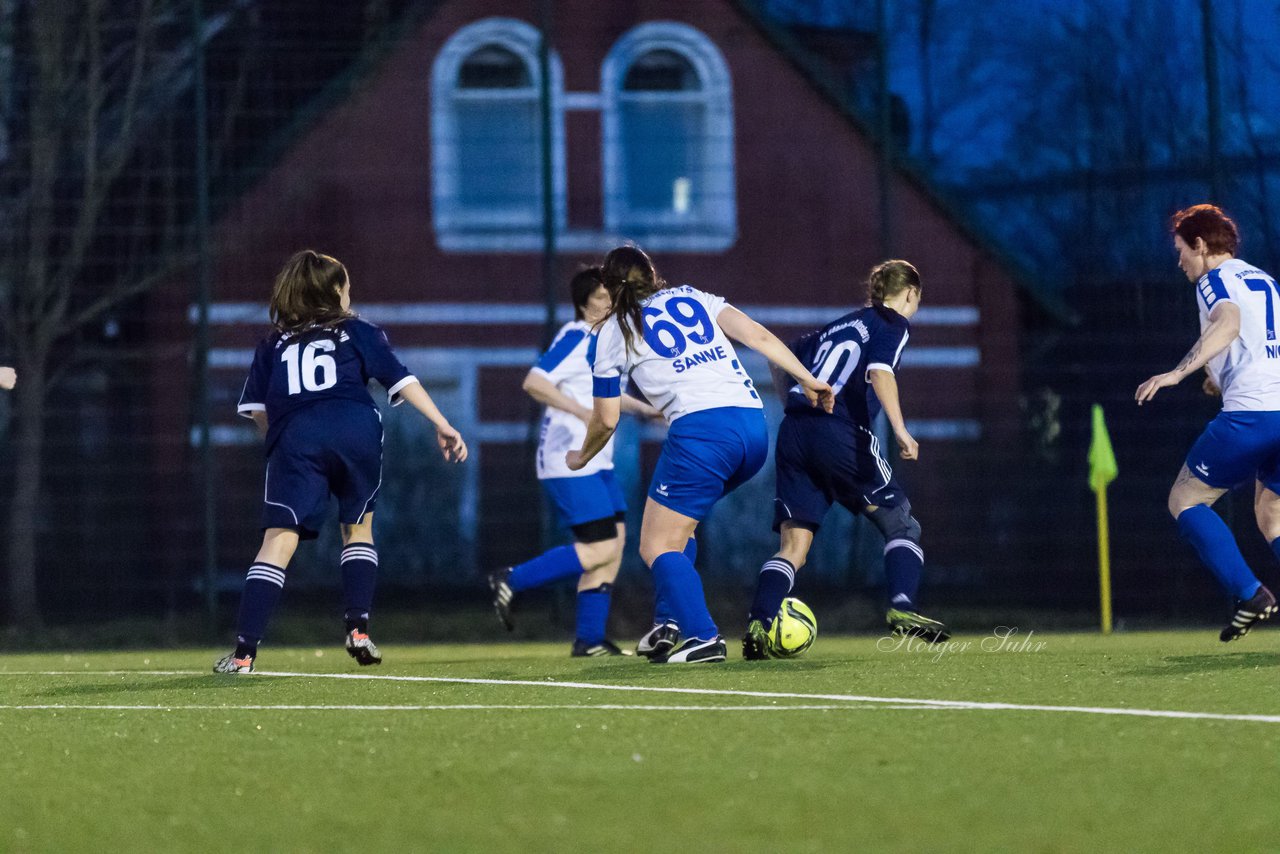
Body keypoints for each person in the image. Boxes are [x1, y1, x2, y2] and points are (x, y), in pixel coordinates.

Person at [567, 245, 833, 664]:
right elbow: (758, 337)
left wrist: (581, 457)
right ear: (652, 275)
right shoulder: (692, 295)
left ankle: (703, 636)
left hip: (703, 434)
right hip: (751, 428)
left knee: (656, 545)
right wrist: (809, 379)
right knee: (680, 529)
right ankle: (669, 622)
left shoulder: (612, 332)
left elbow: (605, 418)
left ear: (610, 286)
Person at [214, 250, 467, 673]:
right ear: (333, 291)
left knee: (278, 540)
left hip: (297, 437)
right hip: (355, 429)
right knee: (357, 526)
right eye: (345, 286)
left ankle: (243, 653)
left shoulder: (272, 344)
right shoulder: (358, 331)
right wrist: (442, 423)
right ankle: (358, 626)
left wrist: (283, 444)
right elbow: (402, 379)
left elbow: (258, 411)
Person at [741, 260, 949, 659]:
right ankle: (903, 607)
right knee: (901, 523)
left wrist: (796, 403)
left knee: (794, 547)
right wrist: (901, 430)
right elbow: (879, 372)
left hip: (795, 432)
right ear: (910, 294)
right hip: (840, 434)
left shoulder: (836, 326)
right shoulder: (892, 323)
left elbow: (777, 357)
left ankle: (759, 620)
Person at [487, 266, 662, 656]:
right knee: (599, 548)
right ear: (584, 305)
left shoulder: (606, 341)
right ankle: (512, 579)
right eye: (601, 297)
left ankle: (589, 639)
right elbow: (535, 381)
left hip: (598, 463)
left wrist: (647, 410)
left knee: (613, 548)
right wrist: (582, 414)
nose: (609, 303)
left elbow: (608, 396)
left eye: (610, 296)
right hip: (567, 459)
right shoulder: (577, 335)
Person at [1135, 203, 1278, 641]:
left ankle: (1250, 593)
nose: (1179, 260)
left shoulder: (1214, 280)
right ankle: (1249, 596)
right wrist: (1219, 377)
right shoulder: (1265, 280)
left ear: (1200, 245)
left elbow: (1228, 322)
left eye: (1181, 249)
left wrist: (1178, 372)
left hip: (1251, 416)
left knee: (1186, 500)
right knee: (1272, 514)